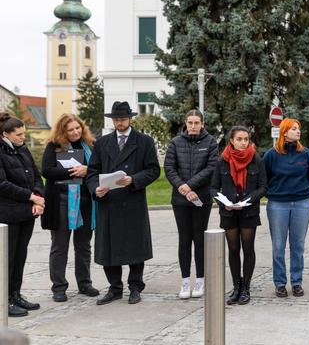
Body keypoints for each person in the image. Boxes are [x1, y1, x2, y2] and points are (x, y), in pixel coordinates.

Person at [86, 101, 160, 306]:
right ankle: (115, 287)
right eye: (116, 120)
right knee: (109, 248)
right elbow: (92, 172)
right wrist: (95, 189)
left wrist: (134, 179)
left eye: (123, 119)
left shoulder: (144, 141)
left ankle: (135, 286)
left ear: (130, 119)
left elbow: (153, 170)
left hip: (132, 202)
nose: (119, 123)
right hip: (108, 203)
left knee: (135, 247)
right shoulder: (102, 143)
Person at [41, 114, 100, 302]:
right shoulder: (54, 146)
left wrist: (87, 169)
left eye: (78, 128)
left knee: (84, 246)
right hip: (62, 201)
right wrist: (74, 170)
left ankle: (85, 283)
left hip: (86, 201)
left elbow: (100, 168)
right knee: (60, 246)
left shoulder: (90, 145)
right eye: (70, 129)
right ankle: (59, 287)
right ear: (62, 131)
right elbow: (47, 170)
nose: (75, 132)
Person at [164, 110, 218, 299]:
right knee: (184, 239)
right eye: (190, 122)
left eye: (196, 122)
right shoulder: (176, 143)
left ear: (202, 123)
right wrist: (182, 187)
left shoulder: (210, 142)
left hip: (201, 198)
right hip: (180, 199)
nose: (193, 126)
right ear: (185, 123)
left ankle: (200, 280)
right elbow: (169, 168)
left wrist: (191, 185)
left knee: (199, 239)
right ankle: (185, 280)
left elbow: (211, 167)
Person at [211, 126, 267, 305]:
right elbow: (213, 187)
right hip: (228, 213)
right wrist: (224, 203)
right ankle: (236, 286)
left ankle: (246, 288)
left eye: (246, 139)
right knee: (233, 250)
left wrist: (248, 200)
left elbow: (263, 187)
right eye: (240, 139)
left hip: (248, 211)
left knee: (248, 248)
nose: (244, 143)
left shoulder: (256, 159)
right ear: (232, 141)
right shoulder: (222, 161)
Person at [263, 118, 309, 298]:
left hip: (302, 203)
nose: (298, 131)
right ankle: (280, 283)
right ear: (284, 132)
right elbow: (266, 177)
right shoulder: (271, 155)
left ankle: (297, 282)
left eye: (298, 128)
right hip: (278, 204)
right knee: (278, 245)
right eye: (293, 128)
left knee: (298, 245)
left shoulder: (305, 154)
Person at [0, 113, 45, 317]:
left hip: (27, 212)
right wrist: (30, 197)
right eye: (18, 135)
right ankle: (4, 300)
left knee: (20, 256)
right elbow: (2, 185)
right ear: (5, 135)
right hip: (8, 213)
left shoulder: (23, 150)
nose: (22, 138)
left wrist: (37, 197)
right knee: (6, 259)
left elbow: (36, 175)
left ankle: (15, 295)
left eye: (24, 134)